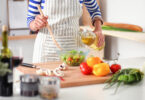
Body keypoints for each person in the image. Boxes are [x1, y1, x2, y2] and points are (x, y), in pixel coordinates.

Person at [27, 0, 104, 63]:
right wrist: (36, 24)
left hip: (74, 49)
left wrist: (98, 28)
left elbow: (94, 10)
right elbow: (30, 20)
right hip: (46, 49)